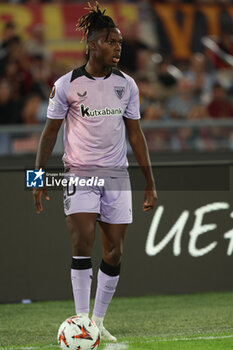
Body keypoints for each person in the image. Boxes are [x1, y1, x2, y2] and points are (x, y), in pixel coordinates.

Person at [33, 3, 157, 342]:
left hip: (117, 175)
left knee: (114, 251)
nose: (118, 47)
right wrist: (37, 177)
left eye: (120, 42)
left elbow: (135, 134)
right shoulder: (67, 85)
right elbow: (49, 133)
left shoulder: (127, 85)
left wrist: (149, 181)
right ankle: (82, 320)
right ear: (92, 44)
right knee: (82, 241)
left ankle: (98, 322)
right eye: (111, 42)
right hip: (79, 173)